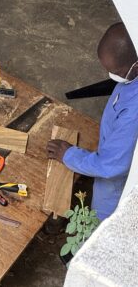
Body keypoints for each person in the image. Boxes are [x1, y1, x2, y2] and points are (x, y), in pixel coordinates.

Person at [47, 23, 138, 220]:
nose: (112, 76)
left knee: (100, 224)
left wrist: (69, 155)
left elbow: (110, 167)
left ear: (136, 65)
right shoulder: (131, 79)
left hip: (116, 187)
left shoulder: (133, 114)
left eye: (117, 71)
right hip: (113, 150)